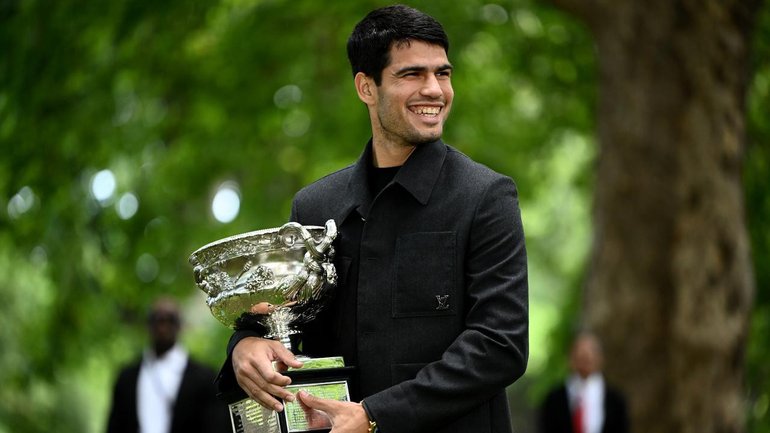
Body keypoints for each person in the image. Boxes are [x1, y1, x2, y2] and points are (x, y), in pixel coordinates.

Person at [216, 5, 529, 433]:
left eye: (443, 73)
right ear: (366, 87)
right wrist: (244, 346)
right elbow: (275, 320)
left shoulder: (486, 197)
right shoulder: (315, 206)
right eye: (412, 75)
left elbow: (500, 345)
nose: (435, 90)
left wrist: (375, 416)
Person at [106, 296, 231, 433]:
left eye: (170, 320)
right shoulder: (127, 378)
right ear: (148, 325)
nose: (163, 326)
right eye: (157, 319)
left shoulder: (205, 378)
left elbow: (215, 425)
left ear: (180, 326)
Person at [538, 331, 629, 433]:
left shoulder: (615, 401)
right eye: (580, 354)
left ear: (600, 358)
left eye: (591, 353)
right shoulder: (554, 399)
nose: (586, 357)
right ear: (570, 358)